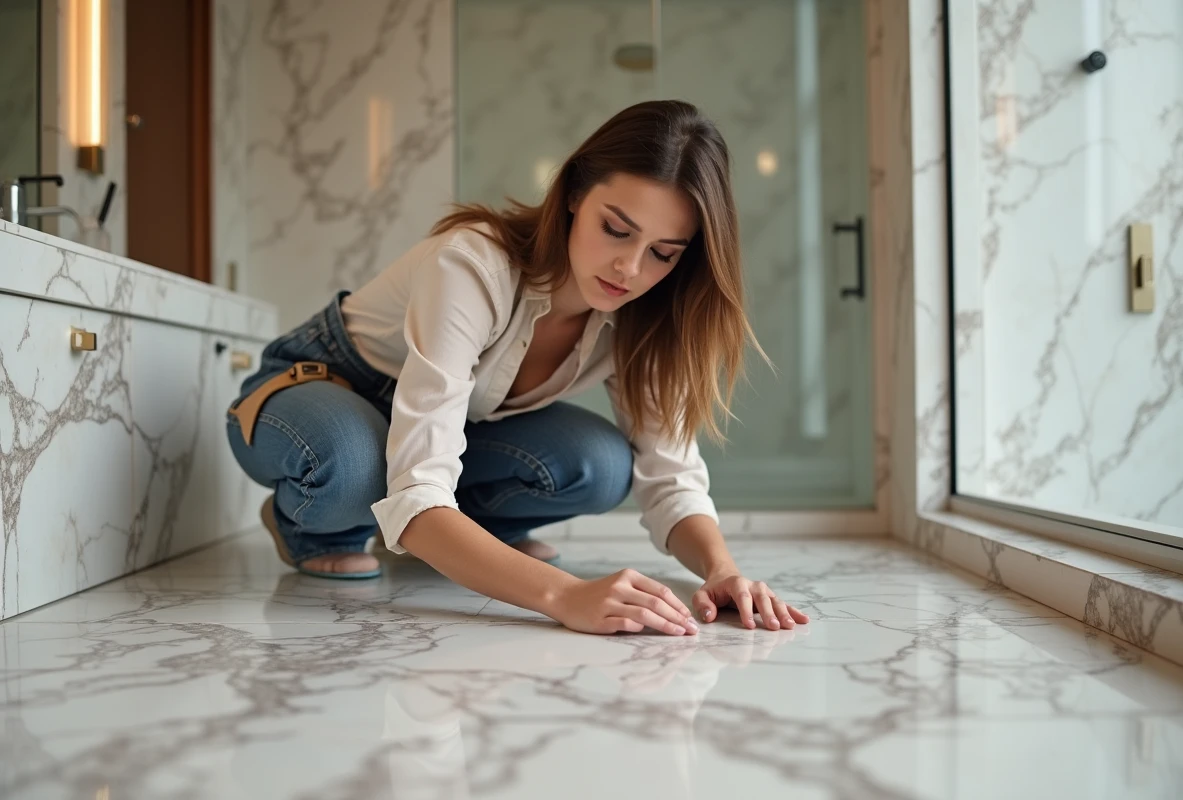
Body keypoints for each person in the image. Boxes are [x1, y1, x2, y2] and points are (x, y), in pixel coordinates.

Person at [226, 99, 810, 636]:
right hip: (318, 388)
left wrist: (721, 570)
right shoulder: (472, 266)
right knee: (356, 467)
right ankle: (305, 525)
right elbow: (417, 484)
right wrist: (562, 596)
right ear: (576, 192)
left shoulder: (644, 318)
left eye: (662, 253)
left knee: (602, 465)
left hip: (451, 430)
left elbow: (671, 476)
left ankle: (469, 541)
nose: (629, 268)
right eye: (615, 228)